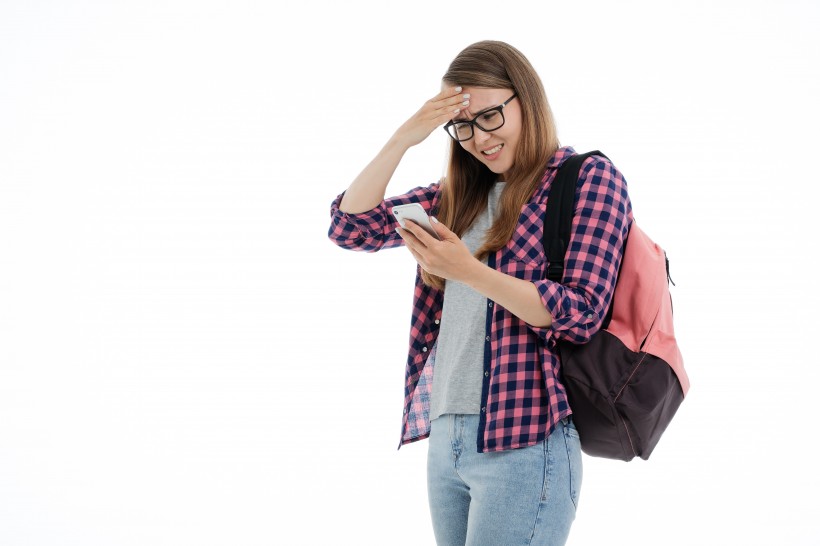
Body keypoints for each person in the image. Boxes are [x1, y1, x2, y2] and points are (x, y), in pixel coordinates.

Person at [327, 40, 632, 546]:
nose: (478, 139)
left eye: (490, 116)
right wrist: (404, 137)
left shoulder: (587, 179)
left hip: (525, 439)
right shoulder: (455, 198)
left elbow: (580, 311)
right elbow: (349, 227)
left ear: (526, 100)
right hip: (446, 439)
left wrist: (467, 270)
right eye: (462, 126)